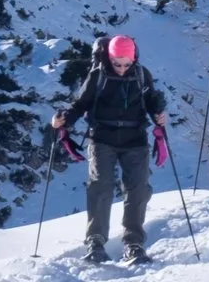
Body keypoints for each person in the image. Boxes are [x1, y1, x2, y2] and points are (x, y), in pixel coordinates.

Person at [52, 34, 168, 264]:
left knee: (138, 189)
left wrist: (158, 112)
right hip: (102, 138)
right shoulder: (98, 75)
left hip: (135, 139)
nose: (122, 69)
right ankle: (95, 242)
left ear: (133, 59)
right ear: (110, 58)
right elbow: (81, 104)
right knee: (100, 186)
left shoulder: (141, 74)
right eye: (117, 64)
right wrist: (64, 119)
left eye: (126, 64)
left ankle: (134, 243)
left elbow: (151, 99)